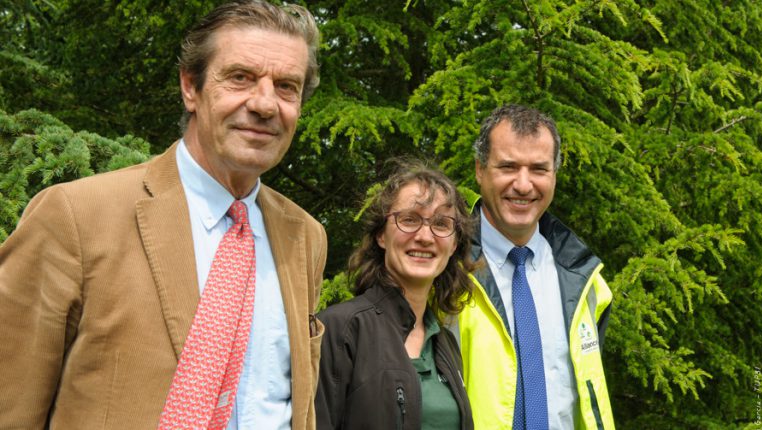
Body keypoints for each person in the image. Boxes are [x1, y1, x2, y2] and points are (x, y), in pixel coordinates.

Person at [0, 1, 327, 428]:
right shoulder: (75, 215)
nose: (265, 104)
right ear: (190, 87)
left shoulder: (306, 237)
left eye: (286, 86)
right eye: (241, 77)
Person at [458, 104, 614, 430]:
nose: (524, 184)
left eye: (539, 169)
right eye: (508, 167)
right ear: (479, 170)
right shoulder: (445, 271)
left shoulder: (585, 281)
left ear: (554, 175)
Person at [315, 160, 475, 430]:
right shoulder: (339, 330)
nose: (425, 236)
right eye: (409, 220)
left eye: (440, 223)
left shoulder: (445, 342)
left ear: (454, 243)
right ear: (381, 235)